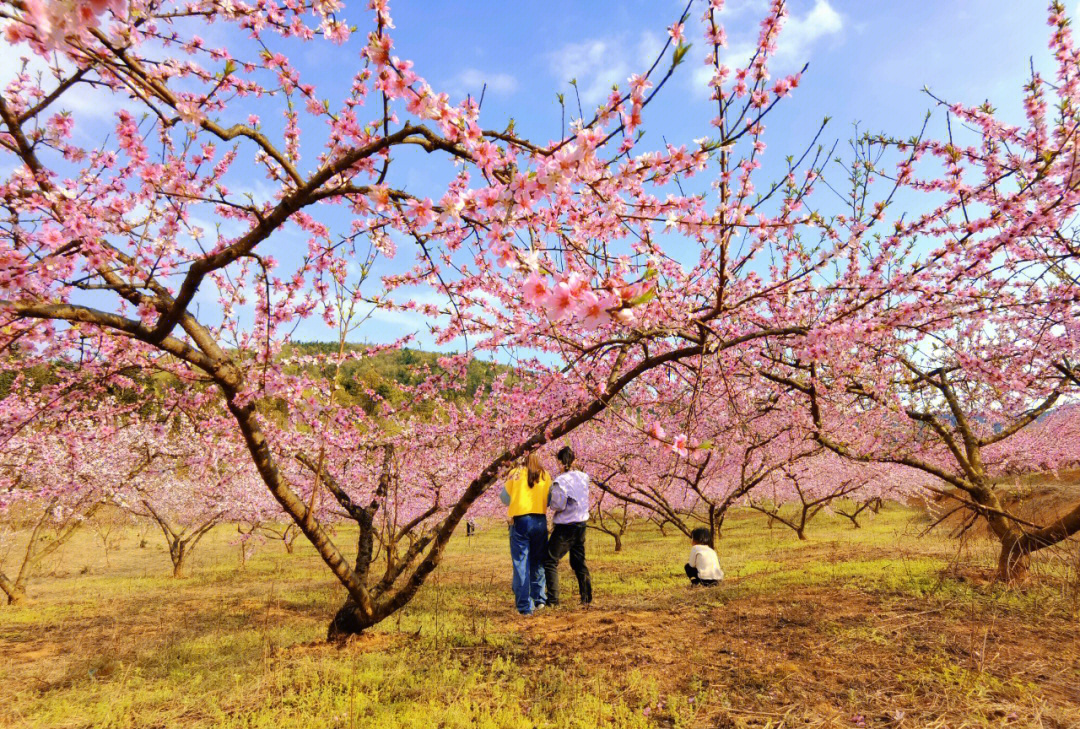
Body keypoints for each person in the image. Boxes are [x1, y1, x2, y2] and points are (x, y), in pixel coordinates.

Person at [499, 453, 552, 615]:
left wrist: (517, 500)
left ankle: (524, 606)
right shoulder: (545, 474)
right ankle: (539, 600)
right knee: (538, 561)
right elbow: (549, 500)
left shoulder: (515, 473)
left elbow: (504, 498)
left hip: (521, 521)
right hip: (540, 521)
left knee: (521, 563)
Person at [543, 446, 593, 606]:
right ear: (574, 460)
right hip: (581, 524)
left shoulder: (560, 481)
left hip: (565, 527)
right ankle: (586, 598)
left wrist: (550, 498)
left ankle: (553, 600)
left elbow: (558, 505)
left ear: (560, 462)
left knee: (550, 560)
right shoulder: (584, 477)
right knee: (578, 561)